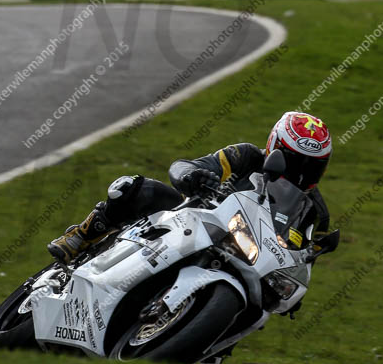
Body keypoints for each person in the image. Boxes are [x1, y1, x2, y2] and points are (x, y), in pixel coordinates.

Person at [48, 111, 332, 265]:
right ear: (273, 147)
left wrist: (309, 258)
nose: (301, 173)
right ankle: (81, 236)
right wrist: (194, 177)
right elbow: (184, 166)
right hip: (191, 223)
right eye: (295, 162)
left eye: (312, 167)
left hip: (247, 261)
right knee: (132, 188)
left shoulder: (316, 212)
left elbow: (302, 261)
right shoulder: (246, 156)